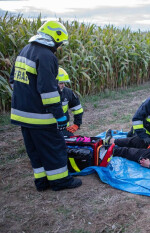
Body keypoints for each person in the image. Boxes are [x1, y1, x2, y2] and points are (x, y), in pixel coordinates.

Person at [9, 21, 82, 191]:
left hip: (22, 114)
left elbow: (13, 80)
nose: (59, 46)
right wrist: (60, 116)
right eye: (60, 43)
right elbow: (48, 92)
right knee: (54, 148)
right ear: (54, 38)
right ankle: (60, 181)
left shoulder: (25, 50)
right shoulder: (46, 56)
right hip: (40, 116)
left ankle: (42, 182)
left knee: (35, 151)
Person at [56, 67, 84, 137]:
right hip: (47, 129)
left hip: (64, 128)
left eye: (64, 83)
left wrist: (77, 124)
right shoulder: (44, 94)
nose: (63, 85)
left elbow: (78, 109)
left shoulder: (68, 92)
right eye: (60, 83)